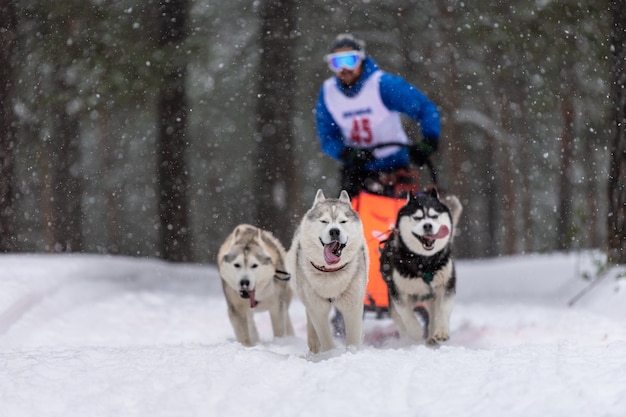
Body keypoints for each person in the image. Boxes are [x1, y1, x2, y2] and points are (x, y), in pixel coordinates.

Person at [315, 33, 441, 197]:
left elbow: (425, 109)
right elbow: (327, 138)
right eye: (336, 62)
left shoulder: (382, 85)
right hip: (357, 173)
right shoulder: (328, 94)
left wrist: (429, 142)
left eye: (349, 60)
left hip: (395, 168)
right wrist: (347, 153)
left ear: (361, 59)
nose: (344, 68)